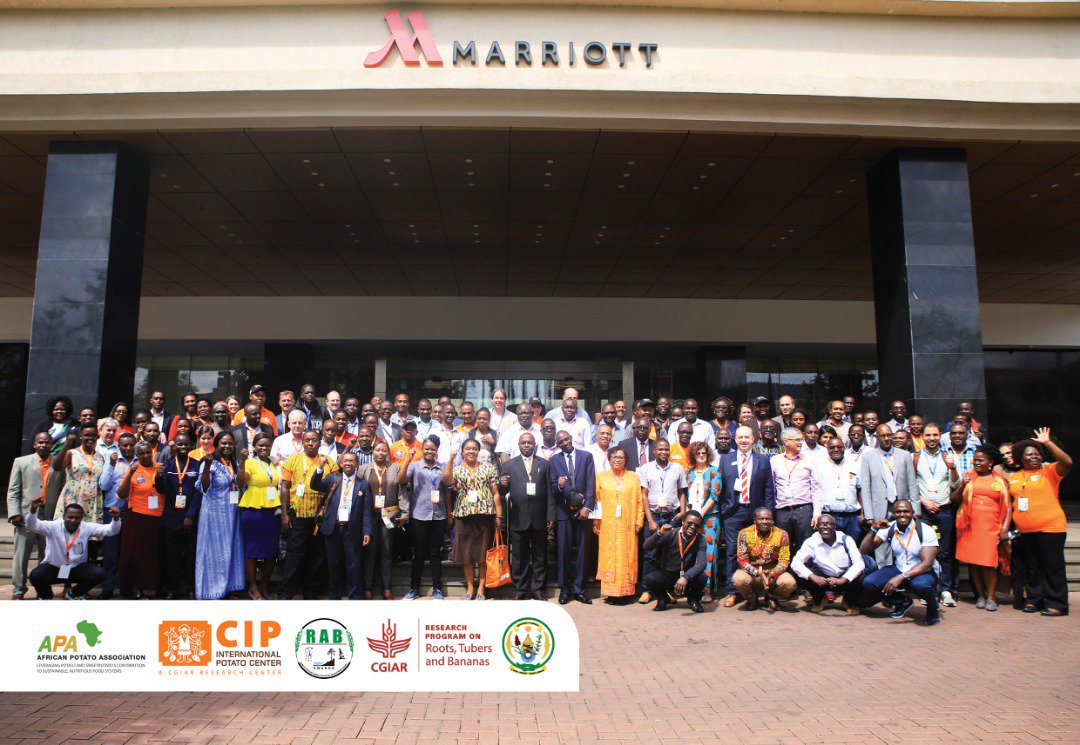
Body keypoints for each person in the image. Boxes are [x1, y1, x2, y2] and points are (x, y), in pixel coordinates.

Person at [1006, 429, 1071, 616]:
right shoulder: (1015, 477)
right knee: (1032, 568)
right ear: (1021, 458)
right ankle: (1034, 600)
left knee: (1052, 567)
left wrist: (1047, 443)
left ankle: (1057, 604)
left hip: (1050, 528)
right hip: (1025, 531)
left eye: (1036, 454)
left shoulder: (1050, 470)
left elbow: (1067, 462)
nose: (1034, 457)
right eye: (1029, 455)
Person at [857, 499, 940, 625]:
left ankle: (933, 610)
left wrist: (901, 577)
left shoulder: (925, 530)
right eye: (899, 512)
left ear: (912, 512)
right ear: (893, 514)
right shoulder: (889, 528)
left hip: (922, 571)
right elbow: (864, 550)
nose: (902, 515)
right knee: (869, 582)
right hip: (900, 568)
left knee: (920, 585)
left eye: (906, 511)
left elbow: (927, 564)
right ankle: (903, 601)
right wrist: (874, 530)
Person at [718, 426, 775, 607]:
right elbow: (721, 488)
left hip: (755, 512)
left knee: (756, 552)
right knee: (732, 552)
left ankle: (755, 590)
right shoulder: (725, 459)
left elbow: (768, 489)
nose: (743, 440)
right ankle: (732, 591)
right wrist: (724, 509)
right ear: (735, 439)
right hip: (733, 513)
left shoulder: (763, 460)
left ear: (753, 439)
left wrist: (768, 513)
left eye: (747, 437)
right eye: (740, 437)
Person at [26, 495, 121, 600]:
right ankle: (47, 597)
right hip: (55, 568)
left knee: (100, 573)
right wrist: (33, 509)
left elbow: (111, 530)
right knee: (35, 575)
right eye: (70, 517)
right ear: (63, 516)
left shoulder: (86, 527)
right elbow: (32, 525)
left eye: (77, 518)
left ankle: (74, 594)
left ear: (81, 518)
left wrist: (116, 518)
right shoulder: (53, 526)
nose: (73, 520)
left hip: (76, 569)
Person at [277, 430, 335, 600]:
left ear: (320, 441)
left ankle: (310, 591)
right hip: (298, 515)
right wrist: (285, 515)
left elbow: (335, 486)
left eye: (314, 440)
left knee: (317, 555)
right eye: (307, 440)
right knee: (295, 554)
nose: (311, 443)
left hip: (320, 518)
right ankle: (287, 592)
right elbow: (285, 487)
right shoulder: (292, 461)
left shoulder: (329, 462)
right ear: (302, 441)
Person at [950, 445, 1010, 611]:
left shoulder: (1000, 480)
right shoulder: (969, 476)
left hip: (991, 525)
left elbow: (1009, 506)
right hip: (969, 525)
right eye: (974, 460)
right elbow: (954, 499)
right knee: (974, 563)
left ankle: (991, 597)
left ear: (990, 462)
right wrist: (963, 484)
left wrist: (1004, 528)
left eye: (980, 460)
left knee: (989, 563)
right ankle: (981, 596)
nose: (976, 463)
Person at [443, 439, 502, 600]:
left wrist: (499, 514)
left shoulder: (488, 468)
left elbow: (495, 493)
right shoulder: (456, 469)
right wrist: (450, 459)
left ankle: (482, 587)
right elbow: (447, 480)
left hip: (485, 516)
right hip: (464, 516)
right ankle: (470, 587)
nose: (471, 451)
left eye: (474, 449)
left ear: (478, 451)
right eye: (468, 449)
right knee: (467, 556)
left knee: (483, 555)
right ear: (462, 451)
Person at [498, 432, 554, 600]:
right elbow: (502, 492)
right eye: (524, 443)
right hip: (518, 517)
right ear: (519, 445)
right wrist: (502, 484)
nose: (527, 445)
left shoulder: (544, 464)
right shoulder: (509, 465)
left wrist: (550, 516)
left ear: (534, 445)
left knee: (539, 555)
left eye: (530, 442)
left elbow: (550, 493)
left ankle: (538, 589)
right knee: (519, 556)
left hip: (539, 517)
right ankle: (520, 589)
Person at [311, 451, 373, 600]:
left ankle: (354, 595)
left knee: (354, 564)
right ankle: (334, 594)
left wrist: (367, 531)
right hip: (333, 527)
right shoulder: (333, 478)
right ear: (341, 463)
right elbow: (315, 485)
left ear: (357, 464)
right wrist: (319, 469)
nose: (348, 463)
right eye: (345, 461)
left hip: (352, 529)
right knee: (333, 563)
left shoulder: (363, 484)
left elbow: (367, 510)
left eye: (352, 461)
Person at [913, 422, 962, 606]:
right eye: (928, 435)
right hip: (925, 510)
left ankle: (946, 590)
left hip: (944, 510)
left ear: (940, 435)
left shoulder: (947, 457)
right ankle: (927, 589)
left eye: (935, 435)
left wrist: (953, 468)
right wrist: (923, 501)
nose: (932, 439)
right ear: (922, 437)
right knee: (924, 551)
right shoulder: (915, 457)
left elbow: (956, 485)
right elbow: (912, 486)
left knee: (945, 552)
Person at [193, 432, 245, 600]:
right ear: (216, 444)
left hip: (232, 513)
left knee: (230, 549)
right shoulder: (210, 462)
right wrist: (207, 466)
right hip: (214, 514)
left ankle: (228, 588)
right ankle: (211, 591)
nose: (227, 446)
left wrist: (243, 462)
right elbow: (204, 487)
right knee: (213, 552)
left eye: (230, 443)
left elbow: (240, 484)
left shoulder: (234, 462)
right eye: (223, 443)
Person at [6, 432, 57, 598]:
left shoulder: (59, 463)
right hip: (26, 515)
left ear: (52, 444)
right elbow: (13, 491)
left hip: (49, 516)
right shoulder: (21, 462)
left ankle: (43, 589)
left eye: (47, 442)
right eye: (40, 442)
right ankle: (19, 589)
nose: (43, 445)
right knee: (21, 555)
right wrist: (14, 513)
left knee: (46, 555)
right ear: (34, 444)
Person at [859, 424, 918, 566]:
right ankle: (883, 577)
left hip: (901, 505)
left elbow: (912, 483)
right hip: (880, 507)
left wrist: (916, 510)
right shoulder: (868, 457)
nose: (886, 439)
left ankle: (903, 575)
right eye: (882, 436)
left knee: (904, 541)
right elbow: (865, 488)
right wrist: (869, 515)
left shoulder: (903, 455)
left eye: (889, 435)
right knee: (881, 545)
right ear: (877, 438)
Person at [397, 437, 449, 600]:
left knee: (435, 553)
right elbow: (400, 480)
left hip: (438, 515)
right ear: (422, 449)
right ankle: (414, 588)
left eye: (432, 449)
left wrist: (450, 514)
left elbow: (448, 489)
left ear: (436, 451)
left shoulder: (442, 467)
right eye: (426, 448)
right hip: (419, 515)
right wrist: (408, 459)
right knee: (419, 553)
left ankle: (437, 588)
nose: (429, 451)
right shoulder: (414, 465)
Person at [637, 438, 688, 603]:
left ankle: (670, 590)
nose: (664, 452)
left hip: (672, 517)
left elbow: (682, 491)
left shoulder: (678, 468)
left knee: (671, 555)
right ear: (654, 451)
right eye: (660, 449)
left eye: (666, 450)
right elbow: (644, 494)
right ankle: (647, 590)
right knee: (650, 555)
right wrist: (650, 520)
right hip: (654, 516)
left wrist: (682, 511)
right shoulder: (645, 468)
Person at [549, 429, 596, 605]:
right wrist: (560, 486)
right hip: (564, 512)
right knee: (563, 552)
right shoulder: (555, 460)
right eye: (560, 442)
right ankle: (565, 589)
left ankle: (580, 590)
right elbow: (553, 487)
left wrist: (588, 507)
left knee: (583, 552)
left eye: (566, 439)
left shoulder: (586, 456)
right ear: (557, 444)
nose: (565, 443)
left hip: (583, 512)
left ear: (572, 438)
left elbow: (591, 483)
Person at [115, 441, 166, 598]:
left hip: (159, 517)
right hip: (138, 516)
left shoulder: (160, 466)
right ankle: (135, 588)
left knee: (155, 554)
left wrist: (160, 476)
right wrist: (130, 473)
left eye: (147, 452)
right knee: (136, 554)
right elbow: (122, 494)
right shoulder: (134, 469)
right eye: (141, 453)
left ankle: (155, 587)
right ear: (137, 455)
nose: (145, 456)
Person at [593, 446, 643, 603]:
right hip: (607, 524)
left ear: (625, 460)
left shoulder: (633, 477)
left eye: (620, 457)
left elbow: (639, 501)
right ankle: (610, 593)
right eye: (614, 457)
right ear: (609, 459)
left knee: (626, 556)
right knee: (609, 555)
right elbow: (597, 501)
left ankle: (625, 592)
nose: (617, 460)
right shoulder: (601, 477)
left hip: (627, 524)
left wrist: (639, 521)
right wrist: (596, 522)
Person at [236, 432, 282, 600]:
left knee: (271, 550)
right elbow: (240, 484)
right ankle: (253, 586)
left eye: (267, 445)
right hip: (253, 511)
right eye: (260, 445)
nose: (264, 448)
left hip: (272, 511)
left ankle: (265, 585)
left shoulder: (274, 462)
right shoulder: (249, 462)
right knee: (253, 549)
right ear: (254, 447)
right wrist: (241, 462)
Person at [357, 440, 406, 600]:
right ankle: (367, 588)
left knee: (386, 552)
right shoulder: (364, 469)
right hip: (368, 514)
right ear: (373, 451)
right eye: (378, 450)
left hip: (389, 513)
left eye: (384, 451)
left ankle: (387, 588)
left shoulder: (395, 468)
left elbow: (402, 492)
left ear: (388, 453)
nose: (381, 453)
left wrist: (405, 514)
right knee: (369, 552)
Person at [791, 513, 867, 613]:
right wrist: (812, 576)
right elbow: (796, 562)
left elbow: (859, 563)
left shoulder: (846, 539)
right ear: (817, 527)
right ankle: (820, 599)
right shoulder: (811, 542)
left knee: (861, 575)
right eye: (822, 524)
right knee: (801, 574)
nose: (825, 527)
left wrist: (843, 580)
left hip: (843, 578)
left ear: (835, 527)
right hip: (822, 580)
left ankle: (847, 601)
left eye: (829, 524)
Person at [158, 433, 199, 599]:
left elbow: (198, 492)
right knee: (171, 556)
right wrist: (159, 477)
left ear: (191, 446)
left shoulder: (196, 465)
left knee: (190, 556)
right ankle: (172, 588)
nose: (183, 447)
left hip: (190, 517)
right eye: (179, 444)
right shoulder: (167, 465)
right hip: (171, 517)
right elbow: (162, 490)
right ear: (173, 446)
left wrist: (190, 515)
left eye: (186, 444)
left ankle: (190, 587)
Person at [731, 508, 797, 610]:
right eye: (761, 519)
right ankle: (752, 599)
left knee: (790, 583)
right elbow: (742, 561)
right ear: (755, 520)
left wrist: (771, 574)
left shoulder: (782, 534)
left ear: (773, 521)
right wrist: (758, 573)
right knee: (738, 579)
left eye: (768, 519)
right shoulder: (744, 533)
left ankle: (771, 597)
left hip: (773, 572)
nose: (765, 522)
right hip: (752, 572)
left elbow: (784, 561)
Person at [770, 426, 822, 557]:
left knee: (805, 546)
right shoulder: (775, 461)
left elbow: (816, 488)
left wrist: (817, 513)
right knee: (783, 547)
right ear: (786, 441)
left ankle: (804, 577)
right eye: (797, 440)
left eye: (801, 439)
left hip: (803, 510)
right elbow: (772, 488)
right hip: (782, 510)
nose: (800, 443)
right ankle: (786, 576)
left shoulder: (809, 460)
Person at [643, 512, 708, 613]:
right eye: (690, 523)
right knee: (649, 579)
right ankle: (663, 598)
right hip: (668, 575)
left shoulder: (700, 539)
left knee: (702, 578)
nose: (693, 527)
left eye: (697, 525)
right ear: (682, 522)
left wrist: (686, 577)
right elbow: (646, 547)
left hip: (686, 578)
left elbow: (702, 564)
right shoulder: (670, 533)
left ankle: (693, 599)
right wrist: (659, 533)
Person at [685, 441, 723, 603]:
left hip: (709, 519)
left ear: (708, 455)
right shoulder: (688, 472)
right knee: (691, 554)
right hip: (691, 519)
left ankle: (706, 589)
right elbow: (684, 496)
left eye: (704, 453)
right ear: (693, 455)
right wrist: (689, 516)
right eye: (698, 453)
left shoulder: (714, 472)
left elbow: (714, 496)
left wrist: (699, 514)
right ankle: (691, 588)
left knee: (709, 554)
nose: (701, 456)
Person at [54, 424, 108, 528]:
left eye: (93, 435)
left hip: (93, 499)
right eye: (87, 435)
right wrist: (67, 444)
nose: (90, 438)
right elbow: (57, 467)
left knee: (89, 532)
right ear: (81, 437)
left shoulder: (100, 457)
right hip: (74, 496)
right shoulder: (72, 453)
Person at [819, 436, 864, 542]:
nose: (836, 450)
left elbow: (860, 489)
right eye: (832, 447)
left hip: (852, 517)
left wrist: (862, 513)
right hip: (830, 516)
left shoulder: (854, 464)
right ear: (827, 448)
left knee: (852, 549)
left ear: (844, 447)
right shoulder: (820, 466)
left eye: (839, 447)